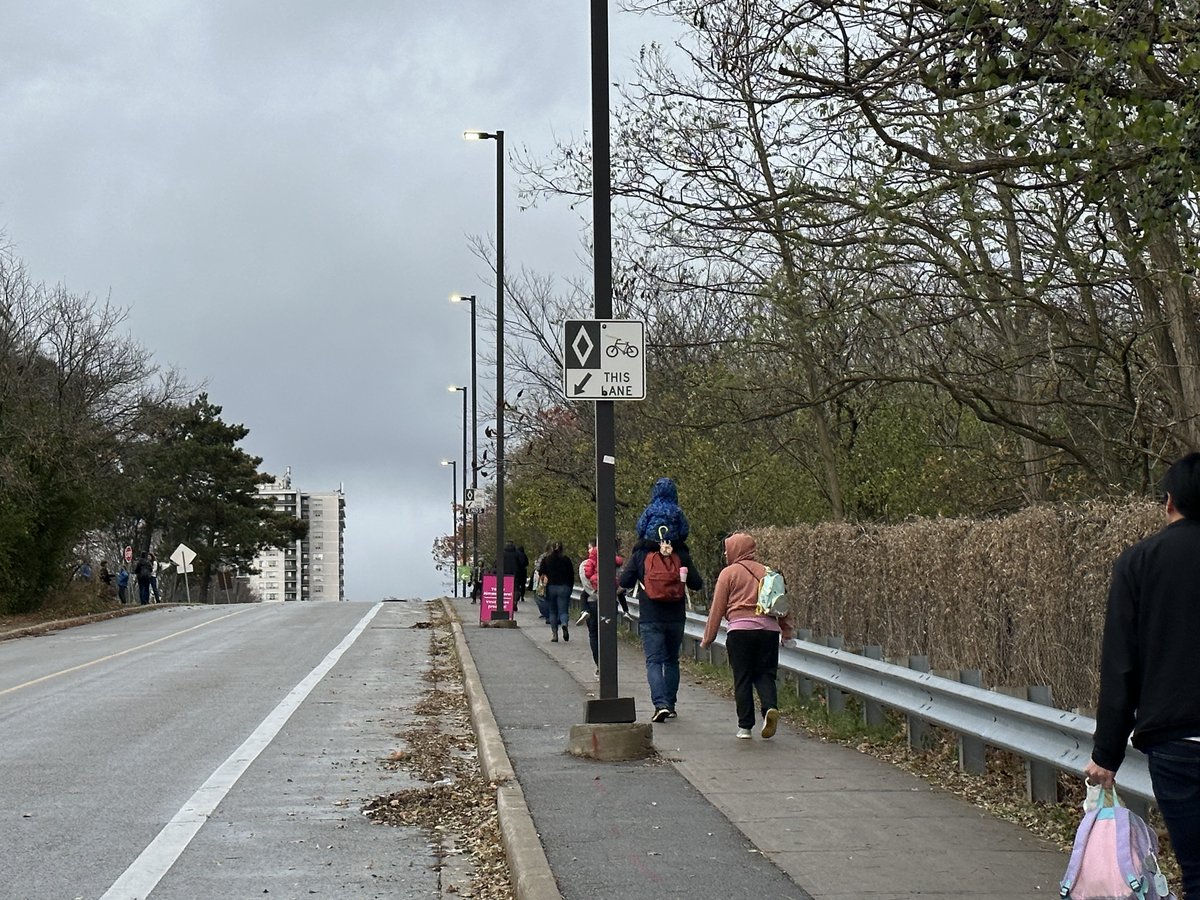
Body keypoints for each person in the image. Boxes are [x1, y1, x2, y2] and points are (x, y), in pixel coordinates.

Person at [1084, 452, 1200, 897]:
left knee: (1196, 868)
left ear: (1169, 501)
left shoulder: (1139, 562)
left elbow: (1121, 665)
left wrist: (1107, 753)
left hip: (1176, 743)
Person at [619, 478, 703, 723]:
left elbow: (624, 581)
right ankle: (672, 703)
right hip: (675, 615)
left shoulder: (641, 553)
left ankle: (660, 704)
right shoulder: (681, 553)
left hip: (651, 615)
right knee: (671, 660)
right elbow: (697, 583)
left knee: (654, 661)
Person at [700, 533, 794, 739]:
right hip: (768, 632)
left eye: (727, 549)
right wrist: (786, 631)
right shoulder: (768, 572)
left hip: (740, 631)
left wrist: (708, 638)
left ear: (736, 549)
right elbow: (782, 604)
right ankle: (769, 708)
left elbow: (717, 608)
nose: (725, 553)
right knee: (765, 675)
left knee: (742, 678)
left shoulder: (728, 573)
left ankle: (745, 727)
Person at [580, 540, 627, 678]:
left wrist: (594, 593)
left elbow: (585, 582)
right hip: (610, 603)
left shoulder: (586, 564)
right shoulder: (616, 563)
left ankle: (599, 666)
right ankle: (609, 666)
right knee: (608, 634)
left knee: (593, 635)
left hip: (592, 602)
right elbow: (624, 582)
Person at [538, 542, 574, 642]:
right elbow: (571, 575)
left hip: (551, 587)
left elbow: (541, 572)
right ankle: (564, 624)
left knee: (552, 611)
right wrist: (569, 588)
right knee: (563, 610)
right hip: (564, 587)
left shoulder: (547, 559)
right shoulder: (566, 560)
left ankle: (555, 634)